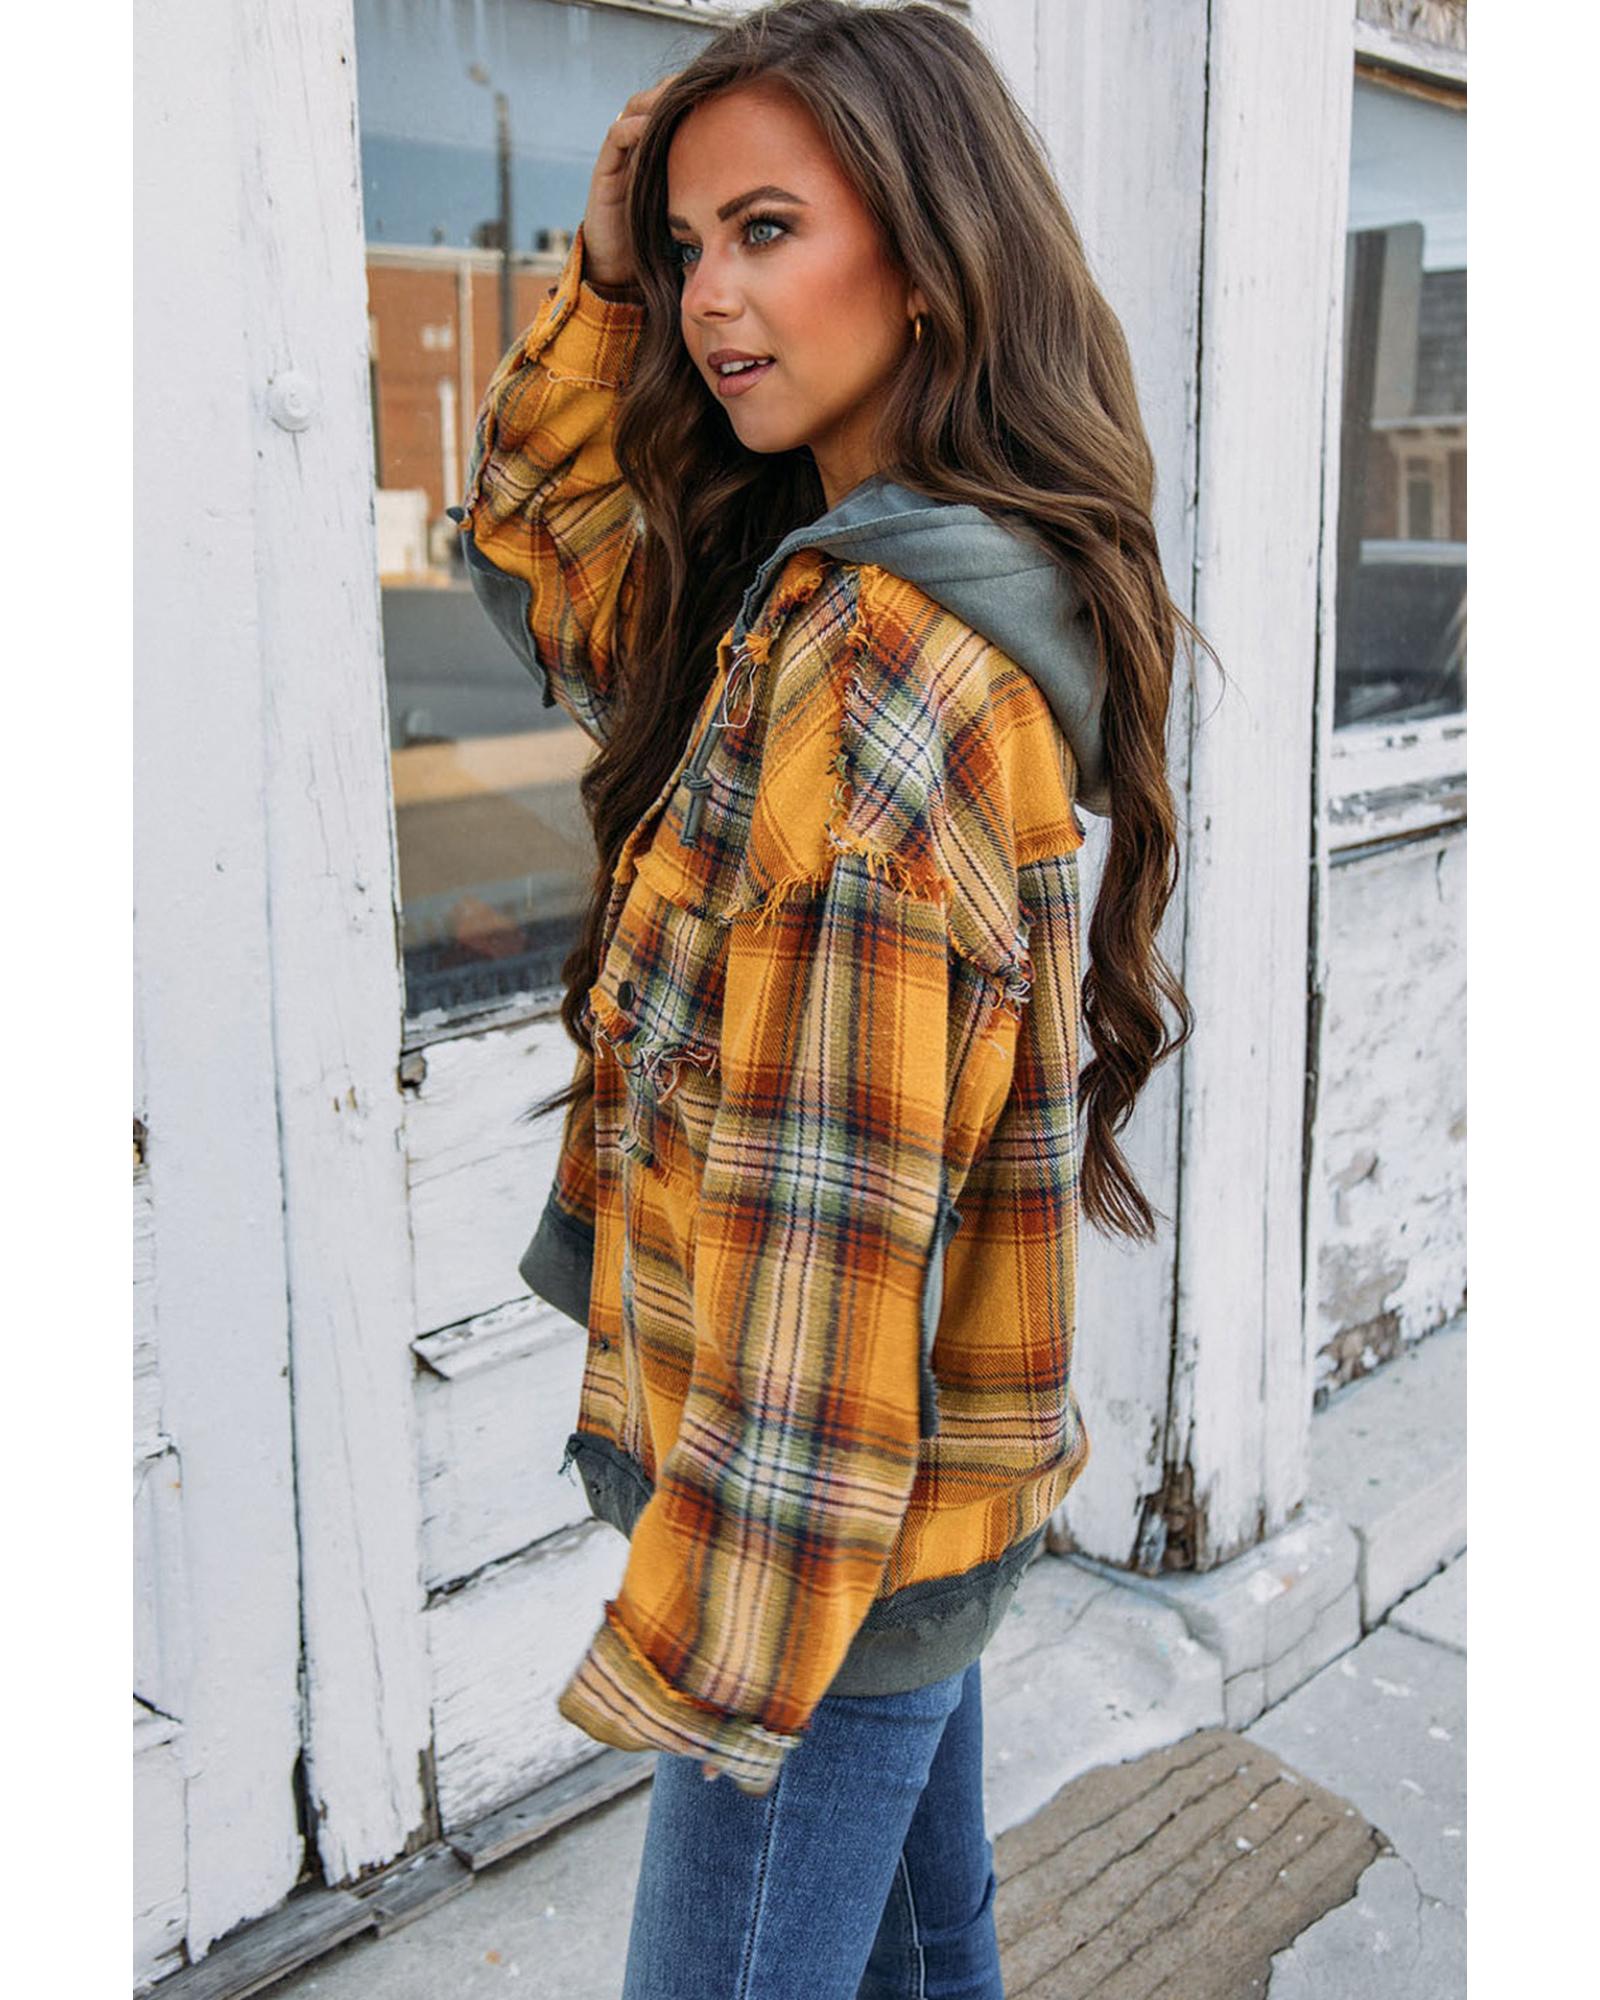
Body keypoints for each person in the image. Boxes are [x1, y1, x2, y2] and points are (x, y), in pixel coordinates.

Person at [452, 4, 1207, 1992]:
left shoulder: (878, 661)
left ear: (931, 255)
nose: (710, 296)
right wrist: (603, 276)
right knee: (927, 1959)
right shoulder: (847, 566)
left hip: (817, 1531)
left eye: (767, 229)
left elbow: (824, 1228)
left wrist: (732, 1651)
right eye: (686, 244)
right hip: (911, 1499)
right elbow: (543, 565)